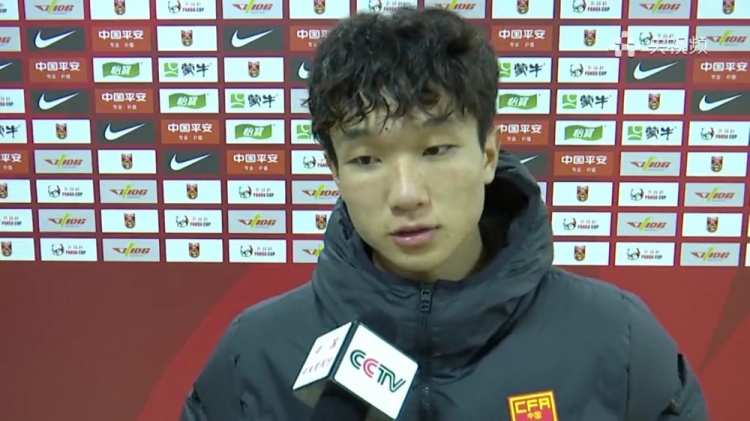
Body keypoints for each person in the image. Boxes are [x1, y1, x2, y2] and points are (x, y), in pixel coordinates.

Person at [180, 7, 708, 420]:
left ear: (488, 154)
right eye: (366, 160)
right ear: (335, 171)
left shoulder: (618, 343)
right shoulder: (255, 356)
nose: (407, 194)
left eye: (435, 150)